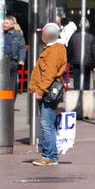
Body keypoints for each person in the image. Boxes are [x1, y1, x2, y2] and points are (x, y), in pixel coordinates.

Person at [28, 23, 69, 166]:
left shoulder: (54, 50)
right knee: (48, 123)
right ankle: (52, 156)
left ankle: (48, 156)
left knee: (47, 124)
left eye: (43, 33)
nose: (41, 36)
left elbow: (49, 73)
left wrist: (40, 90)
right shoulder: (54, 48)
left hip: (48, 90)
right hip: (49, 89)